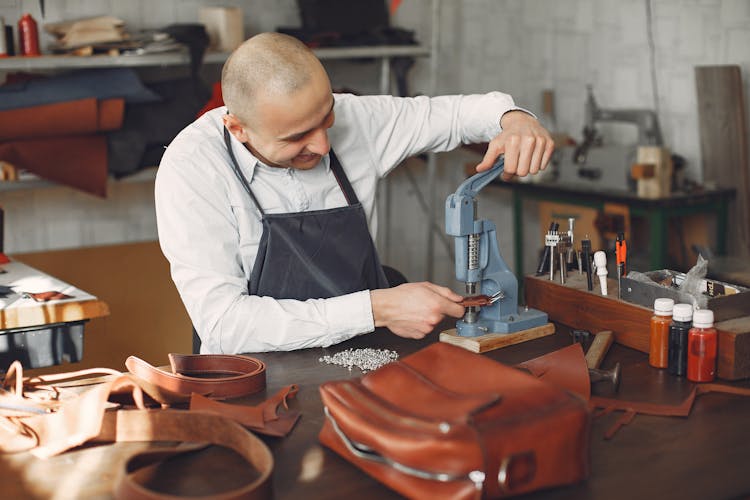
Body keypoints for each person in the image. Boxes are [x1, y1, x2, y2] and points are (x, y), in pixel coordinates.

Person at [155, 32, 553, 354]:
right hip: (253, 371)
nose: (325, 145)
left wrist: (514, 119)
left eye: (327, 118)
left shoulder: (355, 118)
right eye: (298, 138)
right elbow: (226, 325)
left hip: (364, 351)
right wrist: (378, 308)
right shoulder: (192, 168)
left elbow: (454, 115)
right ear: (238, 128)